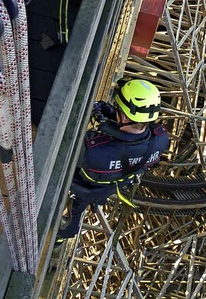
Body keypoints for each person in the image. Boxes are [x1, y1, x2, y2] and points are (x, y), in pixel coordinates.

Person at [56, 79, 169, 242]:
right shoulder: (161, 140)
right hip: (111, 184)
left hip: (85, 184)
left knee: (74, 203)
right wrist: (108, 115)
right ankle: (62, 237)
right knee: (77, 209)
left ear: (123, 115)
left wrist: (100, 121)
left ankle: (61, 234)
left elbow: (64, 150)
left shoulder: (94, 150)